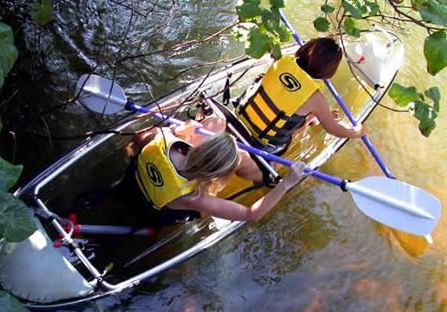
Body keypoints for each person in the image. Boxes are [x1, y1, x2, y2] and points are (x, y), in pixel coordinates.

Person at [117, 118, 307, 227]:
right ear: (219, 175)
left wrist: (177, 129)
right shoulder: (192, 196)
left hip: (129, 184)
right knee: (198, 213)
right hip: (147, 213)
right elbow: (251, 214)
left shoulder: (163, 138)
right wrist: (286, 183)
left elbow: (138, 137)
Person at [235, 37, 363, 154]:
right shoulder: (316, 98)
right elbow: (333, 129)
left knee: (293, 107)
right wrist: (355, 132)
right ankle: (313, 118)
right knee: (302, 117)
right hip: (262, 144)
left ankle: (314, 116)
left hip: (238, 119)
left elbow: (273, 49)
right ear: (329, 70)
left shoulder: (281, 60)